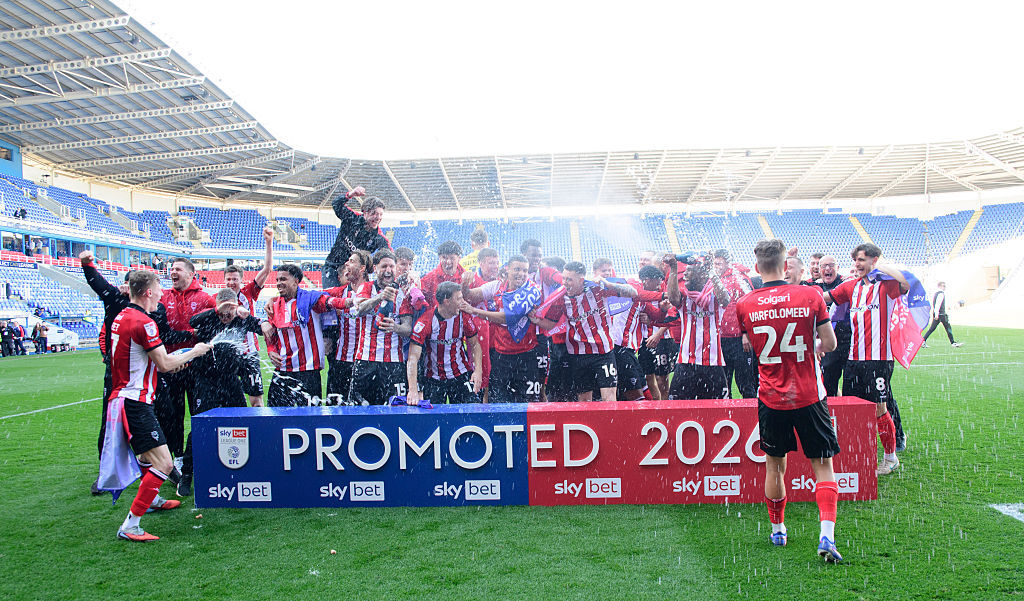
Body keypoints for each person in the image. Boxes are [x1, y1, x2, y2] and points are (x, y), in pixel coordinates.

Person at [735, 238, 843, 563]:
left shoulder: (745, 304)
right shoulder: (810, 295)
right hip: (809, 394)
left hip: (771, 398)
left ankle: (778, 529)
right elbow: (831, 343)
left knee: (775, 466)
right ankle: (826, 536)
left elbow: (749, 346)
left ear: (757, 268)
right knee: (822, 466)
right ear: (786, 266)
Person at [107, 270, 211, 542]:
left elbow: (147, 359)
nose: (162, 295)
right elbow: (164, 364)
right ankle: (131, 525)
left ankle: (150, 499)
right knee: (164, 464)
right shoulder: (145, 322)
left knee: (145, 458)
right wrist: (194, 351)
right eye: (158, 290)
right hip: (135, 402)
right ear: (148, 292)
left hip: (125, 397)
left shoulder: (122, 316)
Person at [80, 251, 191, 495]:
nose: (161, 295)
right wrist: (87, 264)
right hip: (124, 375)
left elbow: (164, 338)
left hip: (149, 370)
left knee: (167, 413)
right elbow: (98, 285)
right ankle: (110, 473)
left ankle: (164, 463)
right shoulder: (121, 305)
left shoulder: (155, 311)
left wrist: (189, 337)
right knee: (113, 426)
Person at [821, 243, 909, 476]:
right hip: (854, 358)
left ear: (874, 260)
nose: (857, 265)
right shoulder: (851, 286)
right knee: (853, 407)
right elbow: (825, 297)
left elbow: (906, 283)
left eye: (862, 260)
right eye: (856, 261)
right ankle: (858, 455)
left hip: (879, 359)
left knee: (880, 407)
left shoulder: (887, 286)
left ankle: (891, 458)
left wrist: (882, 268)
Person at [176, 288, 265, 496]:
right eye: (223, 311)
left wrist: (251, 316)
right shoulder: (208, 319)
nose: (226, 316)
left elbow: (261, 327)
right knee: (200, 426)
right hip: (205, 381)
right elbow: (192, 322)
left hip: (231, 381)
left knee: (240, 422)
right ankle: (188, 473)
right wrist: (218, 310)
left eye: (230, 311)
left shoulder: (241, 319)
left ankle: (241, 468)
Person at [534, 262, 638, 401]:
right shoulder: (561, 298)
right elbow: (550, 324)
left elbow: (633, 292)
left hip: (603, 352)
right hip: (578, 355)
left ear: (581, 280)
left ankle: (609, 422)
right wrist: (535, 320)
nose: (565, 283)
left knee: (609, 399)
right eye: (564, 278)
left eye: (569, 279)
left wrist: (609, 284)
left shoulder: (598, 289)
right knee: (584, 401)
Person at [156, 257, 214, 471]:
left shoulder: (205, 298)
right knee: (172, 415)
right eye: (171, 269)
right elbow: (161, 332)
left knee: (199, 412)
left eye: (178, 269)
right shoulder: (162, 297)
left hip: (197, 367)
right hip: (171, 366)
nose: (173, 272)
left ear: (191, 274)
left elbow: (214, 325)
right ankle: (178, 457)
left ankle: (201, 453)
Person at [461, 255, 545, 403]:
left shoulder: (532, 289)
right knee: (497, 404)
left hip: (526, 357)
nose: (521, 274)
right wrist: (464, 285)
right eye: (517, 269)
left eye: (525, 270)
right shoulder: (496, 286)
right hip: (501, 357)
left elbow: (508, 317)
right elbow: (470, 296)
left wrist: (474, 311)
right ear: (507, 270)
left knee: (529, 405)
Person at [262, 265, 347, 406]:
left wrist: (350, 303)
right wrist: (271, 350)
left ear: (296, 281)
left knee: (311, 419)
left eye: (283, 279)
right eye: (277, 280)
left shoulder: (311, 300)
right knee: (275, 417)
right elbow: (271, 335)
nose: (278, 283)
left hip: (308, 372)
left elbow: (331, 302)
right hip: (282, 370)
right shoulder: (275, 305)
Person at [349, 249, 415, 404]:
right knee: (359, 408)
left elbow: (408, 329)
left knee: (394, 408)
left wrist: (395, 328)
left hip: (393, 362)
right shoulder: (366, 288)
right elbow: (358, 310)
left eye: (391, 266)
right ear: (376, 269)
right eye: (384, 266)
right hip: (366, 359)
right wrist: (380, 296)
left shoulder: (403, 294)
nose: (388, 271)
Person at [592, 258, 663, 401]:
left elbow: (656, 315)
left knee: (642, 389)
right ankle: (642, 421)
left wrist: (663, 310)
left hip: (629, 350)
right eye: (658, 282)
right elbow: (638, 294)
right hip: (618, 348)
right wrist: (663, 295)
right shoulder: (629, 287)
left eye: (609, 270)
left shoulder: (638, 298)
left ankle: (651, 418)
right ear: (648, 280)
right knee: (635, 395)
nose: (660, 285)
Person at [665, 254, 731, 400]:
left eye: (689, 271)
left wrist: (711, 271)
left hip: (713, 363)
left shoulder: (715, 296)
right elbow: (673, 298)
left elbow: (726, 300)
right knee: (677, 409)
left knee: (718, 411)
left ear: (702, 274)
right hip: (686, 363)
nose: (685, 274)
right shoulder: (684, 296)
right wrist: (674, 268)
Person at [223, 226, 274, 406]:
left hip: (249, 354)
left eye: (234, 279)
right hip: (227, 355)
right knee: (232, 401)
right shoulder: (217, 299)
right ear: (224, 281)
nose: (231, 282)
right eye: (228, 279)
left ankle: (258, 432)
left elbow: (267, 269)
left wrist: (268, 242)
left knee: (256, 401)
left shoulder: (248, 292)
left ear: (241, 280)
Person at [409, 281, 482, 404]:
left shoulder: (463, 316)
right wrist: (412, 389)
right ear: (446, 301)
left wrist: (478, 371)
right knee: (434, 419)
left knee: (470, 412)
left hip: (460, 375)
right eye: (458, 299)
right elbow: (413, 357)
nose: (463, 302)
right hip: (433, 378)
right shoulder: (426, 321)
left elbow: (475, 344)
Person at [325, 250, 374, 402]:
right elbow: (311, 297)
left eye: (352, 261)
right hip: (341, 361)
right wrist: (274, 298)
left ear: (362, 268)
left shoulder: (375, 291)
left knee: (365, 408)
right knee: (336, 407)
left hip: (367, 362)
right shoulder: (339, 293)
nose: (347, 263)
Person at [323, 188, 391, 288]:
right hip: (333, 267)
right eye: (374, 213)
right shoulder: (352, 218)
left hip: (353, 275)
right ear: (365, 212)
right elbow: (336, 204)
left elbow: (389, 256)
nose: (378, 218)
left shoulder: (379, 238)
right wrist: (351, 194)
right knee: (330, 299)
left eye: (380, 214)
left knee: (352, 301)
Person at [714, 250, 757, 399]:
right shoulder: (714, 279)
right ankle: (727, 417)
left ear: (727, 263)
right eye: (715, 263)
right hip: (721, 338)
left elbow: (749, 307)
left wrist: (746, 333)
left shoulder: (739, 278)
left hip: (739, 339)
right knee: (723, 384)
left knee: (745, 382)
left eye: (719, 263)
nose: (716, 266)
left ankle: (752, 418)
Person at [813, 255, 850, 396]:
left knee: (850, 385)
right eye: (824, 266)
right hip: (828, 343)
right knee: (828, 384)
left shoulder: (846, 283)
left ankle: (849, 415)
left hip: (848, 341)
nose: (828, 269)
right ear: (819, 269)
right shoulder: (815, 285)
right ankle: (831, 416)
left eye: (831, 265)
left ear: (838, 267)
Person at [420, 241, 466, 310]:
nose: (448, 262)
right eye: (444, 257)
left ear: (459, 258)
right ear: (439, 258)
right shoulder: (430, 278)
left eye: (452, 258)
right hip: (438, 318)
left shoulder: (466, 277)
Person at [922, 282, 962, 347]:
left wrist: (936, 314)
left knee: (932, 328)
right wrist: (937, 315)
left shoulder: (936, 293)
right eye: (943, 286)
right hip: (941, 314)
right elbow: (938, 304)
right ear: (940, 286)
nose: (944, 287)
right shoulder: (941, 294)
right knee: (948, 328)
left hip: (939, 314)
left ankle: (923, 341)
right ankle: (953, 343)